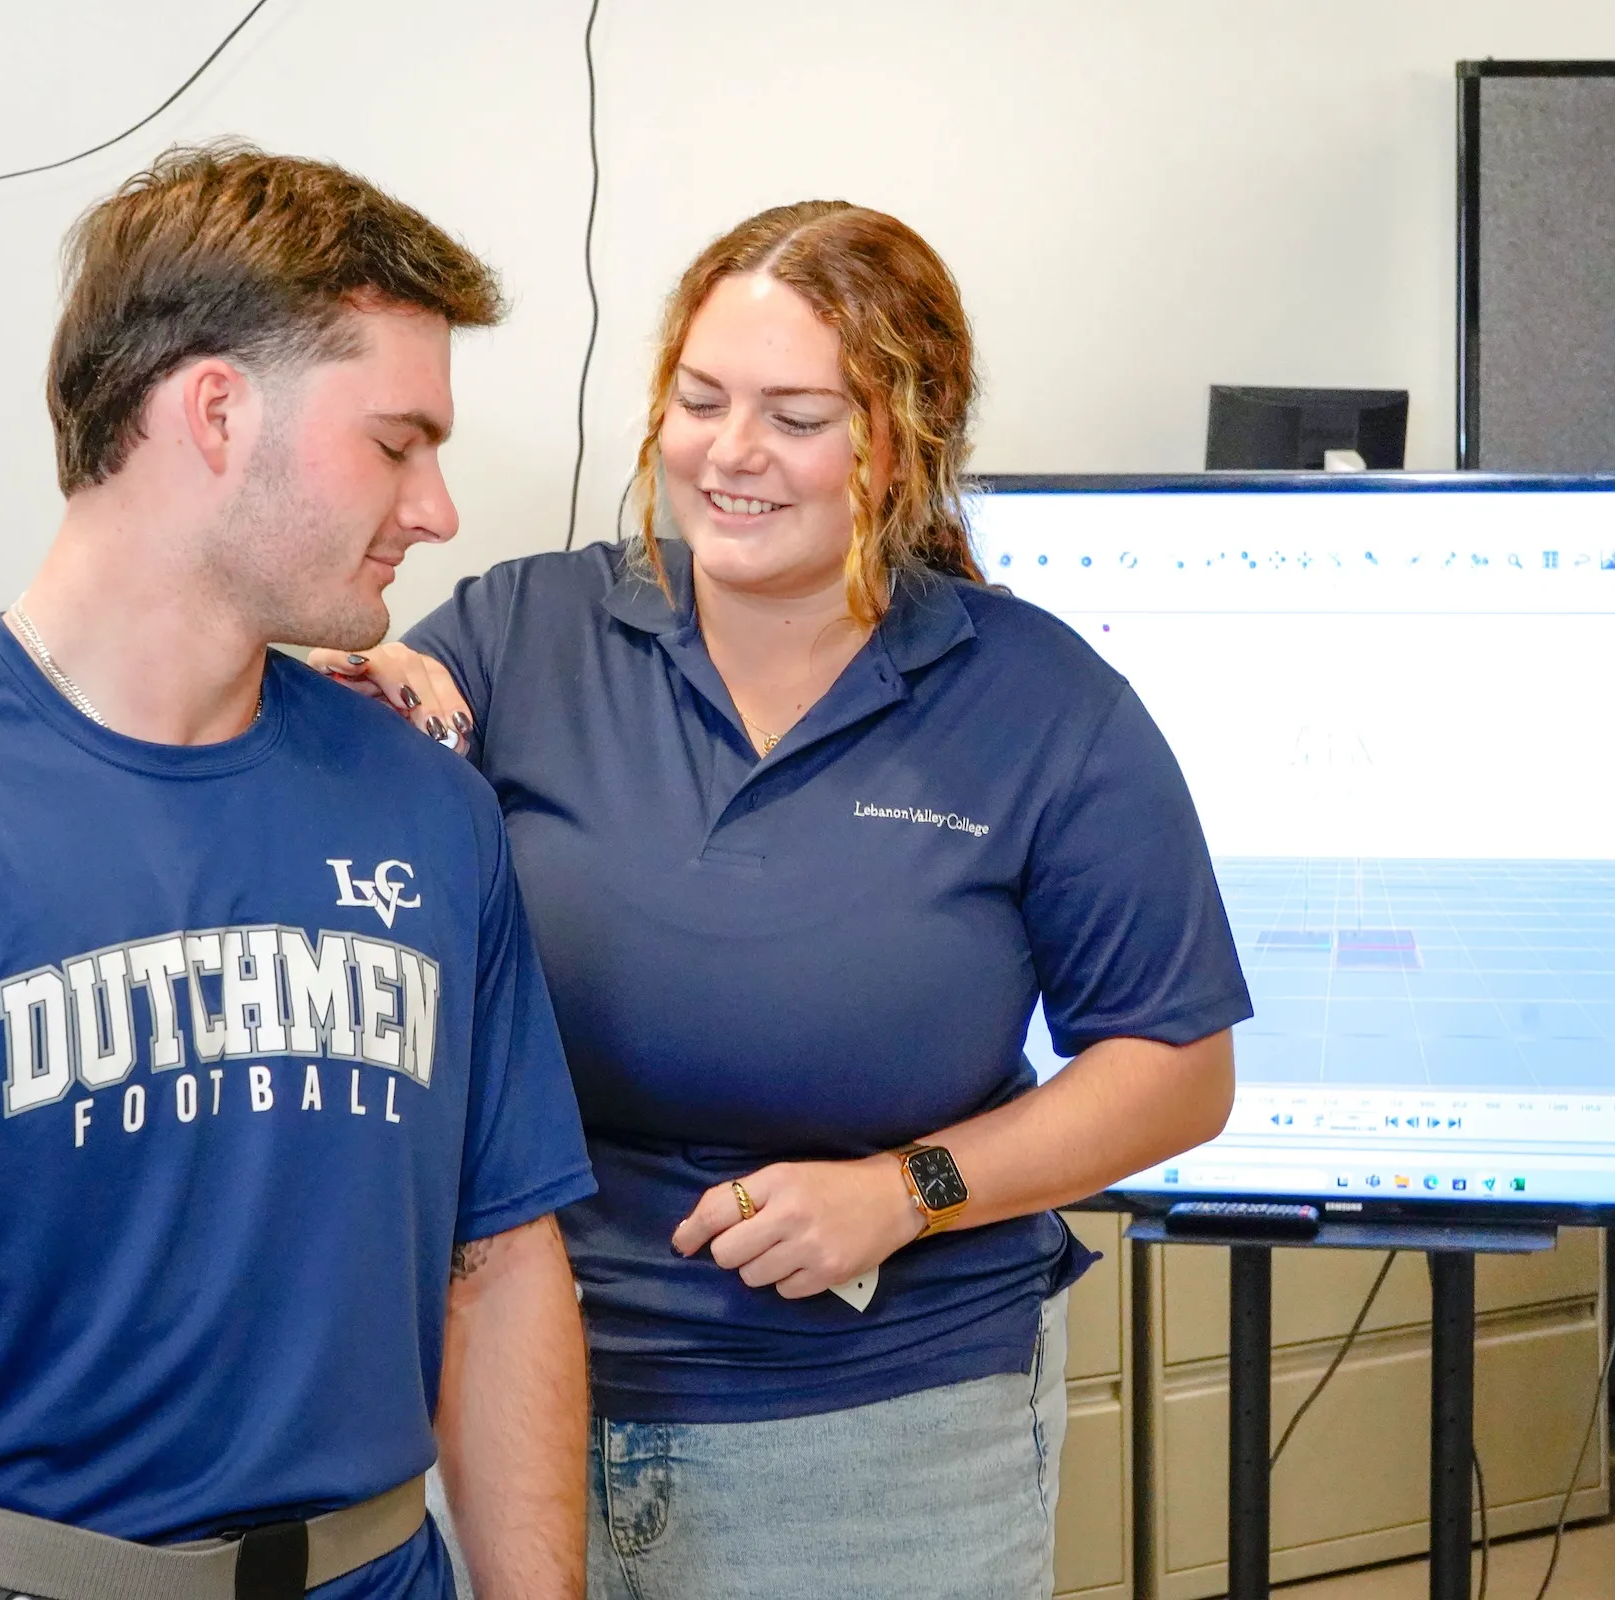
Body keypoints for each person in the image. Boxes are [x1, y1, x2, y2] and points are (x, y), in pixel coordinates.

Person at [0, 144, 597, 1600]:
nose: (437, 509)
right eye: (396, 442)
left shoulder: (430, 815)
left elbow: (501, 1270)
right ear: (217, 411)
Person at [318, 200, 1250, 1599]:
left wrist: (908, 1190)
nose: (730, 453)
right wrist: (342, 696)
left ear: (904, 436)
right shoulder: (530, 634)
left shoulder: (1041, 703)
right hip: (515, 1400)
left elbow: (1176, 1068)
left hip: (883, 1429)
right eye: (700, 400)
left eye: (796, 416)